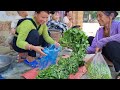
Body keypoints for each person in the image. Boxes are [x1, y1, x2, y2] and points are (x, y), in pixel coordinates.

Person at [86, 11, 120, 79]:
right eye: (97, 16)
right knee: (90, 38)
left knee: (110, 44)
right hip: (110, 55)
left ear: (111, 16)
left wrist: (102, 41)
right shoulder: (100, 31)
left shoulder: (118, 24)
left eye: (100, 15)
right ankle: (109, 63)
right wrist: (79, 50)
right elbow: (93, 47)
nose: (98, 19)